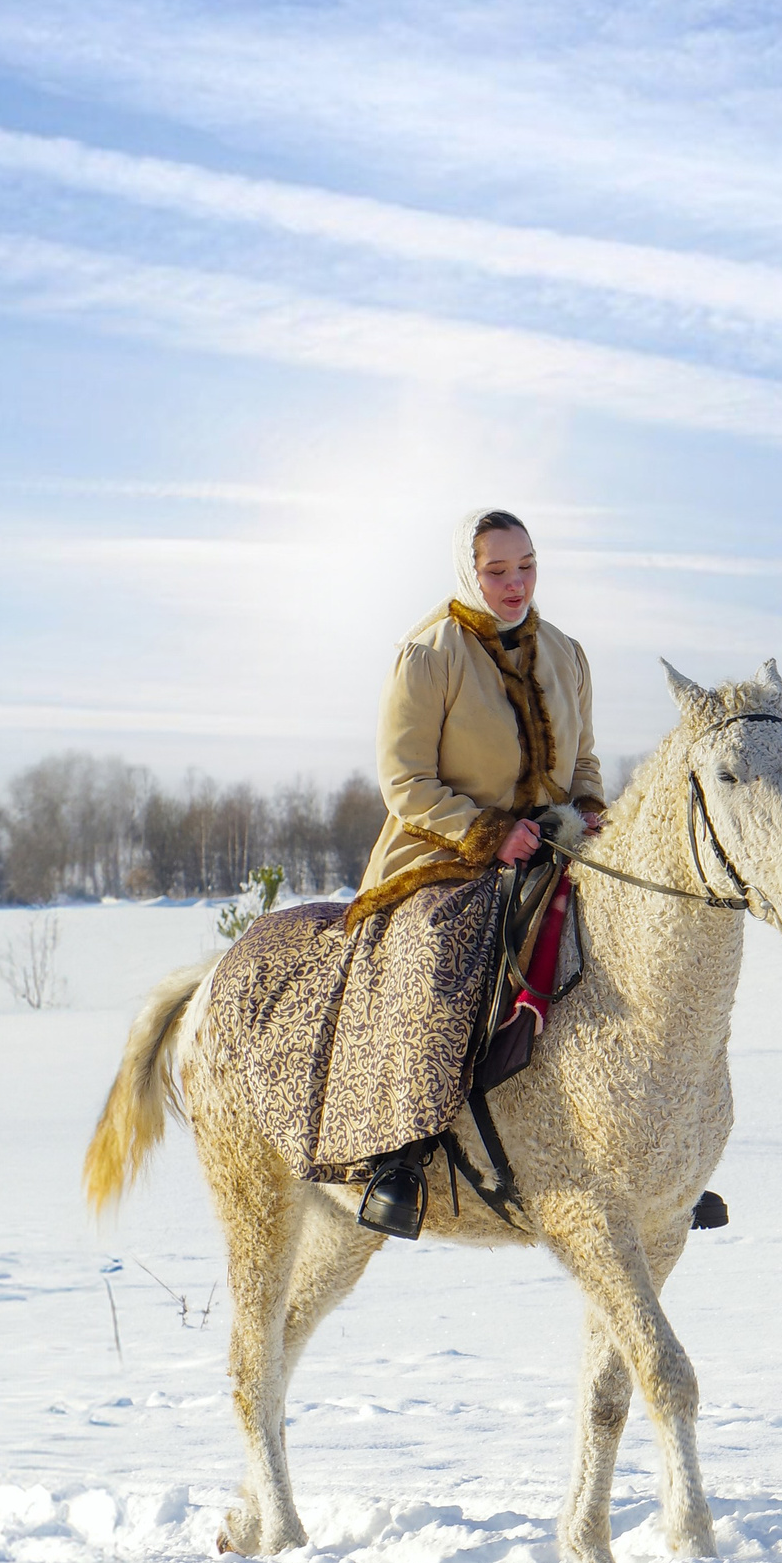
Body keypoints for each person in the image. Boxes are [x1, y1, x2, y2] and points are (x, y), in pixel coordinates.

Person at [346, 507, 609, 1235]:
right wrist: (488, 833)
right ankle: (398, 1155)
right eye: (497, 569)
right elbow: (404, 779)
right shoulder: (429, 655)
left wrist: (586, 805)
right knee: (435, 957)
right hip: (442, 852)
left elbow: (584, 759)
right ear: (471, 570)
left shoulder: (567, 653)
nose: (514, 582)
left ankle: (639, 1152)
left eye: (526, 565)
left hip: (554, 844)